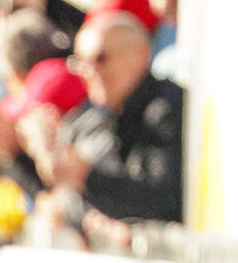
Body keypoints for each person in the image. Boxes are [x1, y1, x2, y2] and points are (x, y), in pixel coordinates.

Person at [53, 12, 184, 245]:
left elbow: (163, 200)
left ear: (142, 54)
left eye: (101, 58)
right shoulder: (100, 117)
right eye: (81, 61)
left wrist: (86, 176)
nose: (90, 70)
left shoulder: (166, 108)